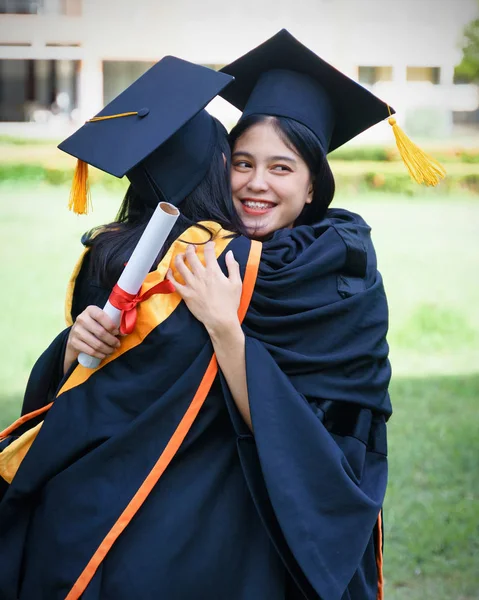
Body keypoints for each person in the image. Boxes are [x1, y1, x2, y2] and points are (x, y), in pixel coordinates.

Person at [0, 35, 394, 600]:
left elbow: (326, 439)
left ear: (313, 186)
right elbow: (109, 389)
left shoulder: (340, 274)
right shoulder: (188, 255)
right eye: (242, 163)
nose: (257, 183)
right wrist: (74, 344)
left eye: (282, 167)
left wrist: (225, 327)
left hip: (274, 515)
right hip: (172, 488)